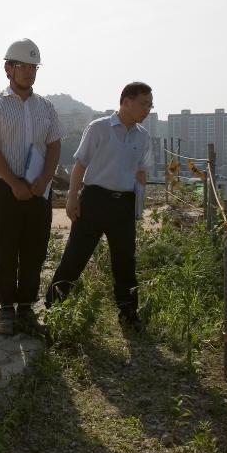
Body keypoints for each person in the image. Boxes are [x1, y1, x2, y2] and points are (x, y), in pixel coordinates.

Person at [45, 82, 154, 330]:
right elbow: (80, 165)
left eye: (150, 105)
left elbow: (141, 173)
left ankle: (128, 312)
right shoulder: (99, 128)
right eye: (143, 103)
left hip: (124, 204)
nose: (147, 109)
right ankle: (54, 307)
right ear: (126, 101)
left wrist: (139, 204)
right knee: (76, 255)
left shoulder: (143, 136)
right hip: (95, 199)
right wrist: (72, 198)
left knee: (125, 261)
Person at [0, 38, 62, 334]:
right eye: (23, 66)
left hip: (38, 189)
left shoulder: (46, 106)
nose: (29, 72)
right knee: (5, 249)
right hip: (6, 189)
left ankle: (26, 307)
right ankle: (6, 308)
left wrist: (43, 179)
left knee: (34, 249)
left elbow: (54, 144)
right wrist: (12, 182)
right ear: (8, 69)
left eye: (33, 67)